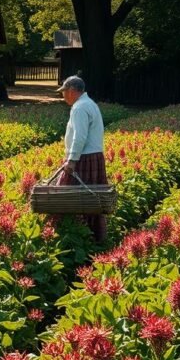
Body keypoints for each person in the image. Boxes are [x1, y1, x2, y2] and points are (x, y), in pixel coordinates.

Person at [57, 75, 107, 242]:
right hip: (94, 156)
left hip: (83, 158)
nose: (63, 96)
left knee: (71, 197)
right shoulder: (90, 104)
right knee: (91, 198)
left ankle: (76, 235)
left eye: (64, 92)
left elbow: (80, 137)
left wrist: (71, 160)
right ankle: (94, 235)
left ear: (71, 91)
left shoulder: (79, 108)